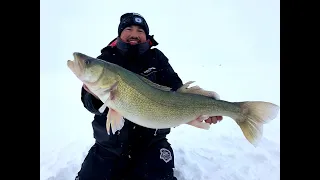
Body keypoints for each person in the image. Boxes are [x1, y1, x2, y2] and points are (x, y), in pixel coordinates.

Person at [75, 12, 223, 180]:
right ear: (120, 33)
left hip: (151, 144)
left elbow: (177, 89)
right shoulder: (106, 59)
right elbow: (88, 104)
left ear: (146, 35)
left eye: (140, 30)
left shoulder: (156, 58)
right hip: (109, 146)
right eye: (128, 29)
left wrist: (206, 107)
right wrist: (97, 96)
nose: (134, 34)